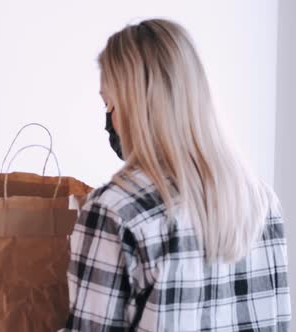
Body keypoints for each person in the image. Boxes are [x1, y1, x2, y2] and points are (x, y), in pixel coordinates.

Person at [65, 19, 291, 331]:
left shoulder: (115, 211)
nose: (109, 120)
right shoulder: (260, 200)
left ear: (135, 107)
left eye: (109, 104)